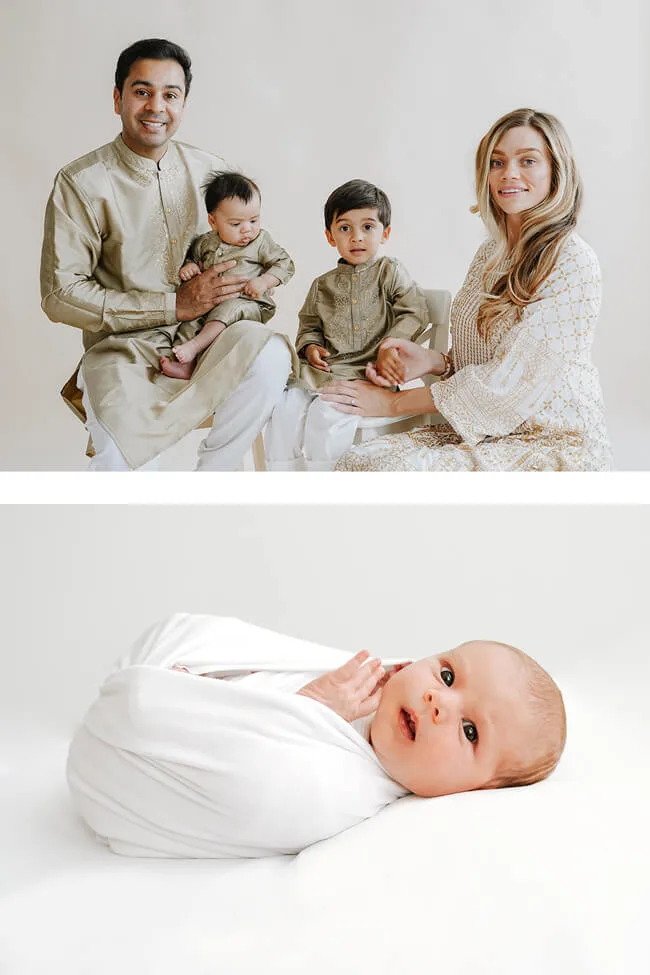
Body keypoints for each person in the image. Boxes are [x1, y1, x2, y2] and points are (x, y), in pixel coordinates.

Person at [67, 614, 566, 858]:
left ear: (475, 792)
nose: (439, 702)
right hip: (139, 708)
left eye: (470, 730)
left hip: (122, 762)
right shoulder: (361, 679)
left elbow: (255, 786)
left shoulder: (334, 791)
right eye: (448, 675)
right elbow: (198, 637)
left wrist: (310, 706)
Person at [40, 38, 295, 471]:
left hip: (207, 339)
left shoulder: (211, 171)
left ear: (183, 103)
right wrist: (172, 304)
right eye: (142, 91)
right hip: (123, 351)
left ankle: (209, 483)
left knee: (269, 353)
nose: (156, 106)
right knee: (124, 465)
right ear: (118, 97)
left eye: (170, 95)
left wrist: (251, 289)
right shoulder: (82, 183)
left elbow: (254, 248)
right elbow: (60, 295)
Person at [322, 109, 612, 471]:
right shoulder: (491, 252)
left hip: (552, 440)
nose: (509, 173)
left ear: (556, 171)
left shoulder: (573, 261)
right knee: (358, 461)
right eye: (497, 161)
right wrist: (436, 361)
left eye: (528, 161)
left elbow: (510, 385)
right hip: (484, 432)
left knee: (390, 474)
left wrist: (393, 403)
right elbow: (488, 357)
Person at [264, 179, 429, 470]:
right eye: (345, 228)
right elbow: (310, 324)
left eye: (367, 227)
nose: (356, 237)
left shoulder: (389, 272)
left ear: (385, 233)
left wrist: (390, 347)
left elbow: (413, 311)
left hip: (367, 375)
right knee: (284, 408)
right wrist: (311, 346)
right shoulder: (322, 285)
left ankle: (327, 484)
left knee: (325, 415)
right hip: (323, 373)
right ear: (330, 236)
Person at [160, 171, 294, 380]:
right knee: (190, 320)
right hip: (209, 302)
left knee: (229, 309)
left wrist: (264, 280)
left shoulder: (260, 241)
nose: (247, 230)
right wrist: (190, 267)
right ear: (213, 222)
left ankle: (194, 347)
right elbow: (194, 258)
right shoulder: (205, 242)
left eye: (254, 220)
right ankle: (185, 363)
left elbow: (285, 263)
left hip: (248, 302)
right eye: (236, 224)